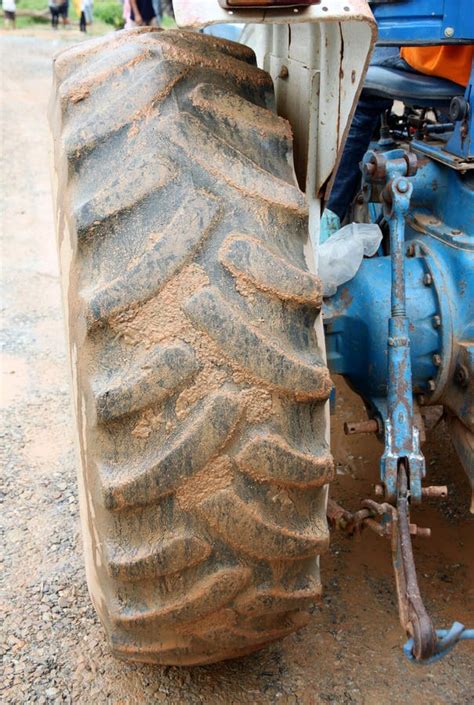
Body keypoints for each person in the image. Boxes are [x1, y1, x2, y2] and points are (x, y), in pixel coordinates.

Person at [322, 45, 474, 239]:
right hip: (466, 79)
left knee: (360, 88)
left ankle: (330, 215)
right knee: (461, 116)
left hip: (446, 67)